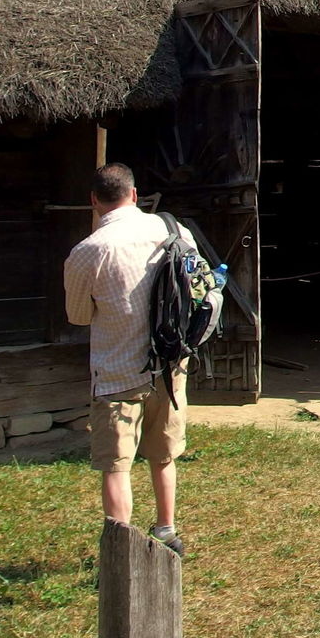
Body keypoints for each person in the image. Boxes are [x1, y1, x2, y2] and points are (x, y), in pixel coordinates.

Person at [63, 162, 191, 556]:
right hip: (169, 366)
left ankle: (122, 553)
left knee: (116, 465)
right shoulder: (174, 230)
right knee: (163, 453)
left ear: (94, 202)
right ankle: (167, 531)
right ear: (134, 195)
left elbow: (78, 316)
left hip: (117, 371)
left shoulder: (88, 251)